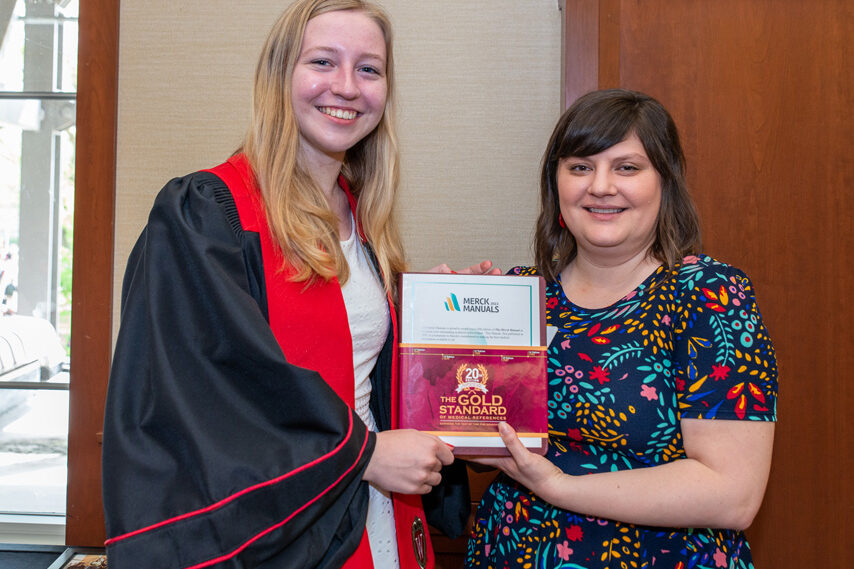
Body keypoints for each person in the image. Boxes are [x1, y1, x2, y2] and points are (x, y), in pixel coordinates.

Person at [102, 1, 488, 567]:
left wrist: (444, 322)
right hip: (289, 531)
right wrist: (363, 454)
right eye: (323, 62)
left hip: (382, 507)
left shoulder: (362, 218)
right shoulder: (209, 213)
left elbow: (357, 365)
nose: (347, 87)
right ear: (280, 74)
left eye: (369, 69)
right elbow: (208, 395)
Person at [465, 89, 777, 568]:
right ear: (556, 183)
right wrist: (450, 327)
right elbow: (476, 439)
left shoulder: (707, 293)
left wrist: (559, 486)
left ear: (664, 182)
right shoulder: (520, 296)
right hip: (510, 550)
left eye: (627, 167)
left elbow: (733, 494)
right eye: (580, 167)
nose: (601, 186)